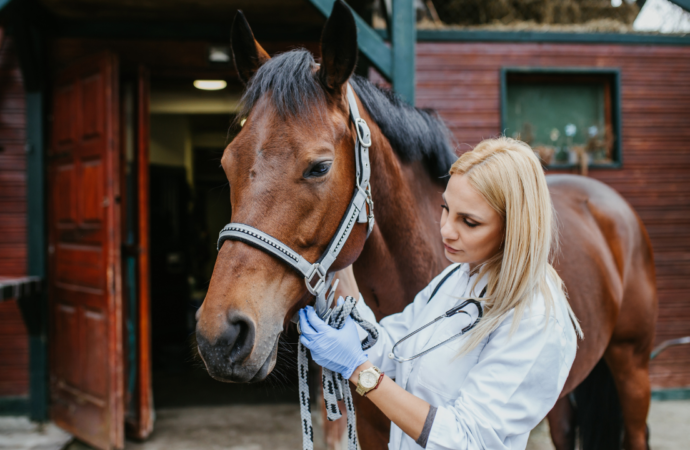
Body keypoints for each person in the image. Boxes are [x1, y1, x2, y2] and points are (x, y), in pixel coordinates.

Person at [298, 137, 582, 450]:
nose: (446, 229)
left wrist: (359, 372)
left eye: (469, 222)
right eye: (446, 208)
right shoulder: (459, 275)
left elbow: (466, 439)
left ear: (514, 228)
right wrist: (347, 320)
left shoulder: (536, 320)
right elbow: (394, 348)